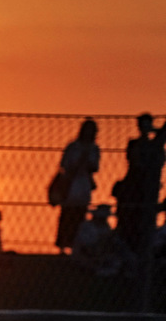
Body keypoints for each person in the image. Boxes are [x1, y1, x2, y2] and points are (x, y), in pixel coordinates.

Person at [113, 113, 165, 255]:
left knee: (146, 222)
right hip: (134, 188)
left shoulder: (156, 145)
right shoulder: (135, 144)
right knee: (130, 221)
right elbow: (136, 163)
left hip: (149, 189)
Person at [54, 118, 101, 254]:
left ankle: (76, 245)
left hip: (84, 185)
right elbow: (64, 164)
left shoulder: (94, 148)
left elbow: (95, 167)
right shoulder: (73, 146)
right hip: (71, 184)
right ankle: (62, 245)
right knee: (66, 215)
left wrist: (86, 162)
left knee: (80, 216)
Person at [73, 204, 132, 276]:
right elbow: (86, 245)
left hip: (104, 252)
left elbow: (114, 241)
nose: (104, 220)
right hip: (88, 254)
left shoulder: (106, 227)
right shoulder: (87, 226)